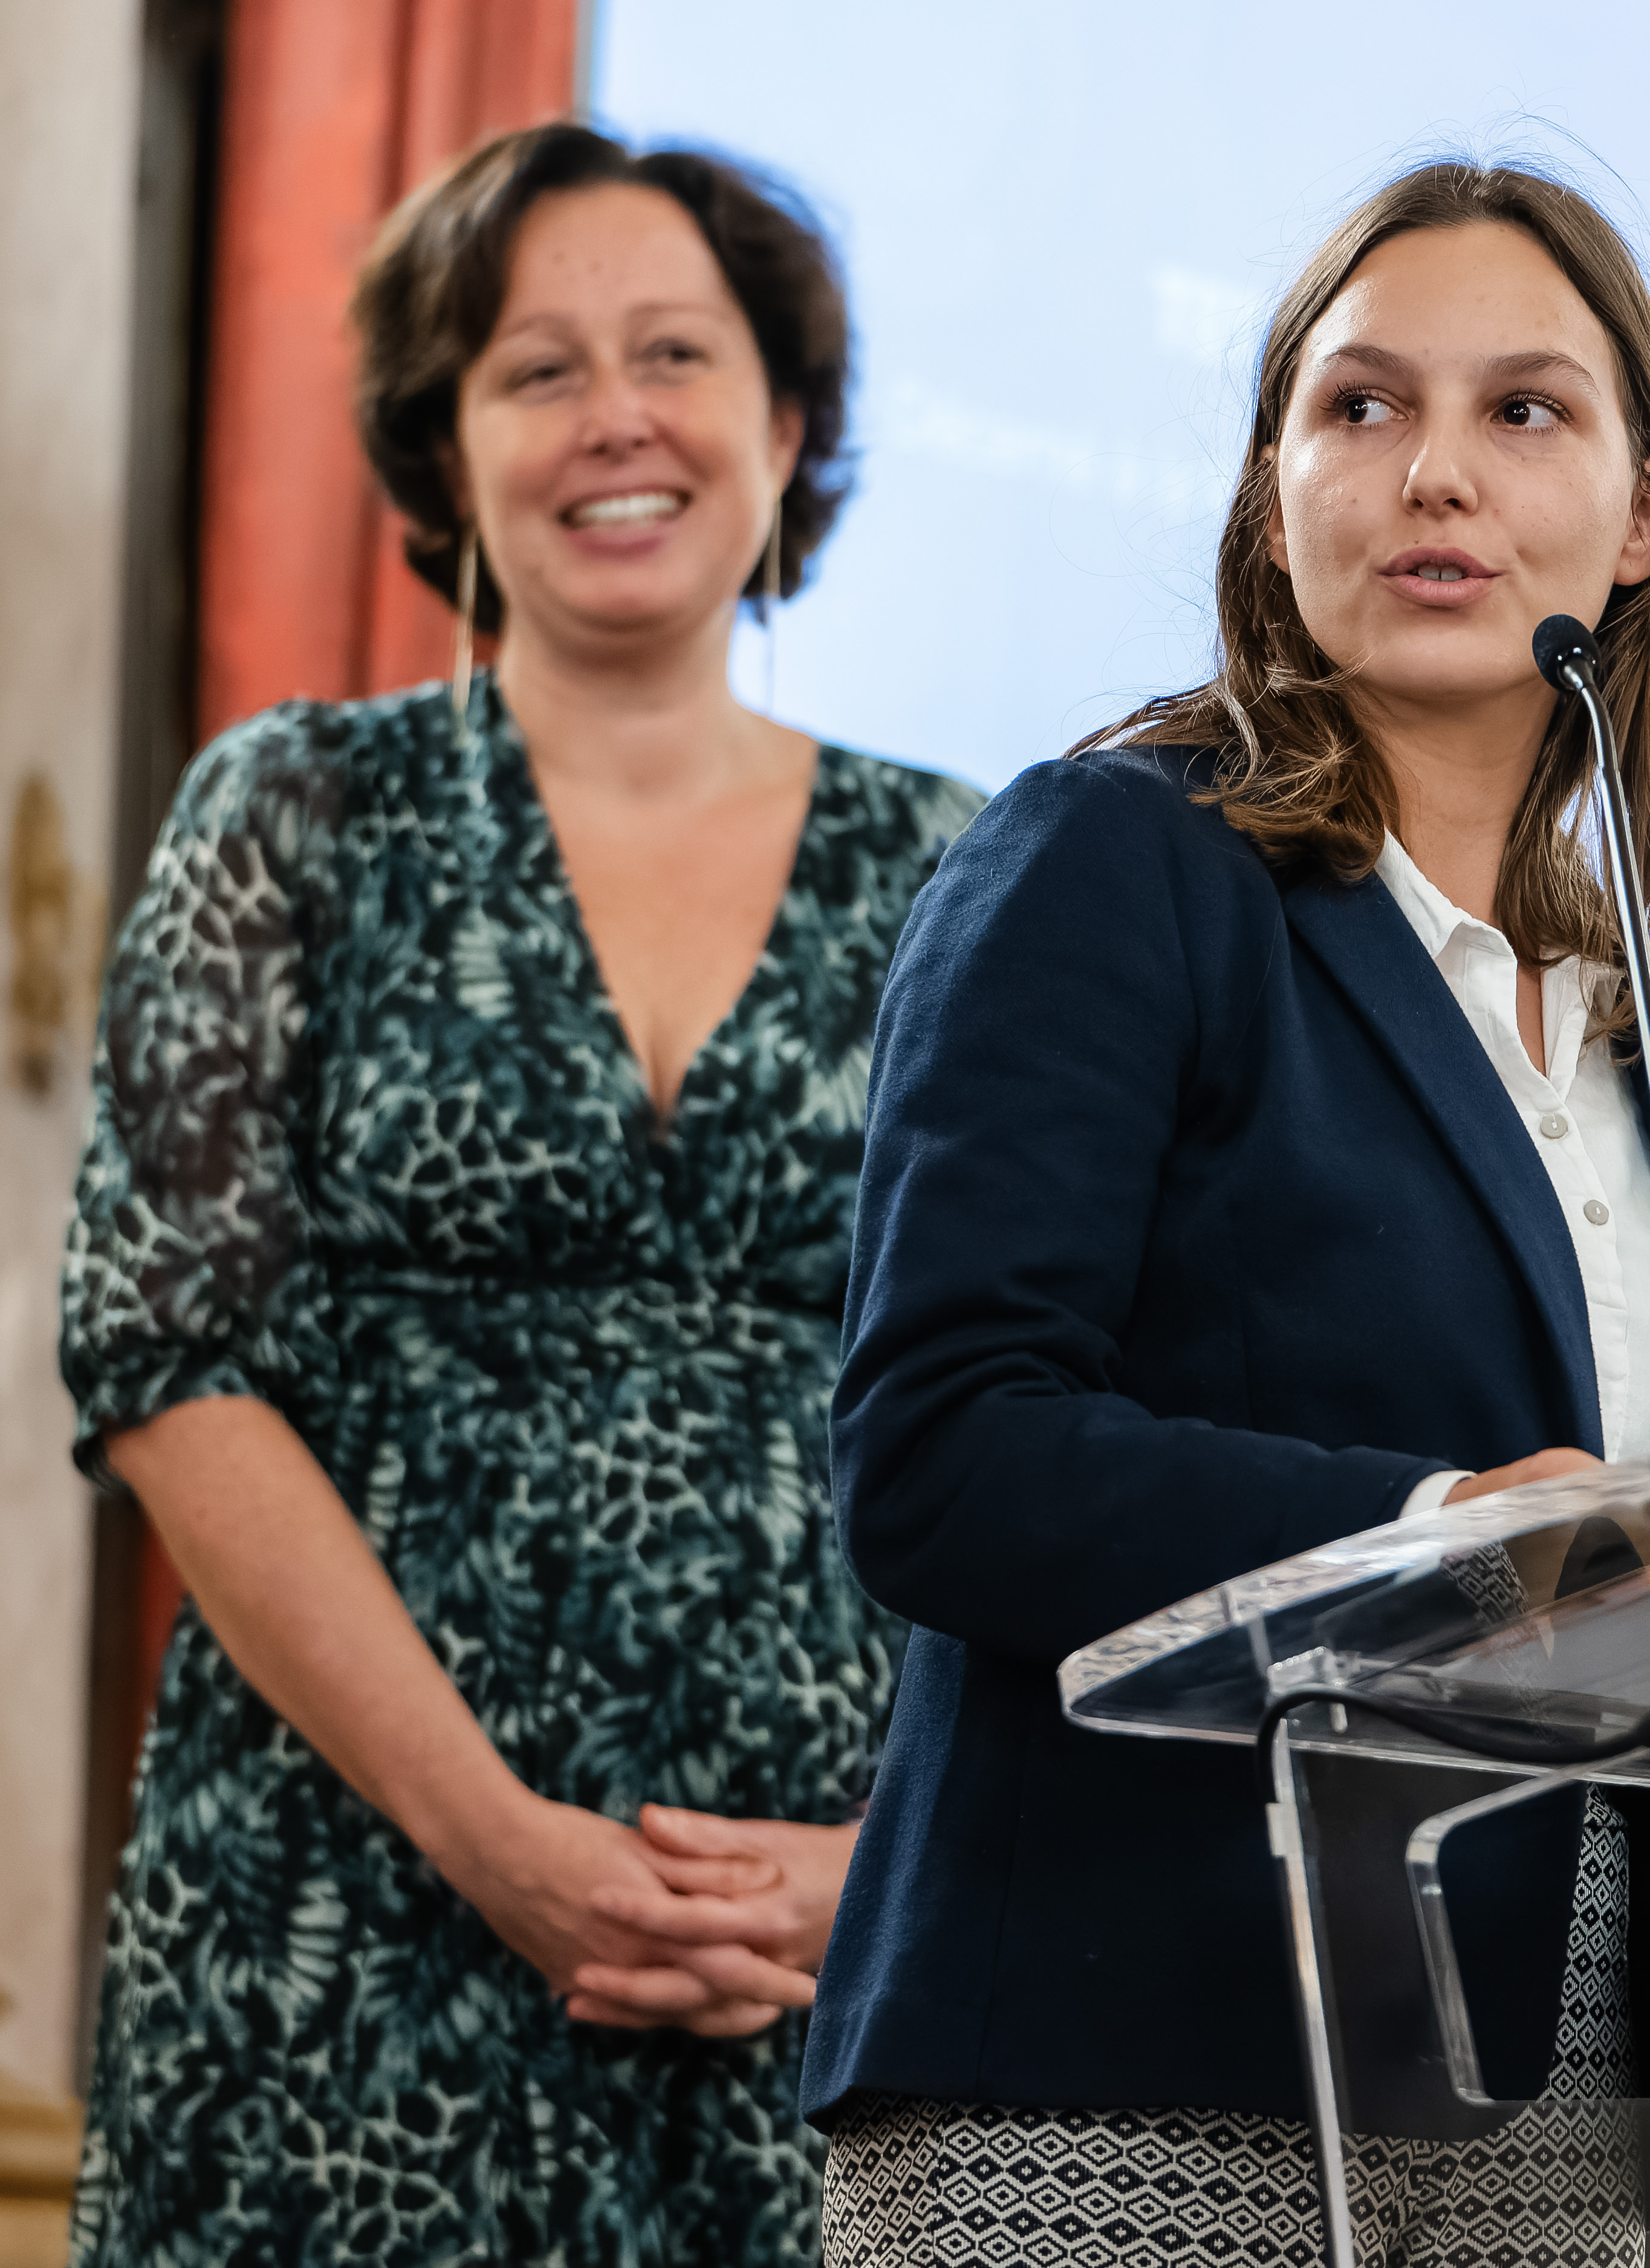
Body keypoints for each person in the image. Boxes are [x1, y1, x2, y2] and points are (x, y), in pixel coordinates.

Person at [801, 160, 1650, 2266]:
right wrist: (1449, 1543)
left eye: (1524, 410)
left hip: (1556, 2091)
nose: (1432, 467)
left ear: (1643, 520)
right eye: (1359, 409)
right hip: (1134, 2062)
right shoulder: (1115, 862)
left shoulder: (1646, 1054)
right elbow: (941, 1455)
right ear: (1275, 501)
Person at [59, 123, 983, 2267]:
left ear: (785, 420)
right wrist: (493, 1838)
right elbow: (165, 1352)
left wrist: (895, 1860)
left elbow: (1059, 1416)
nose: (616, 418)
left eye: (674, 351)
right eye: (535, 369)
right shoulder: (296, 810)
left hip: (835, 1951)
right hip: (344, 1911)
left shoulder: (980, 876)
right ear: (445, 449)